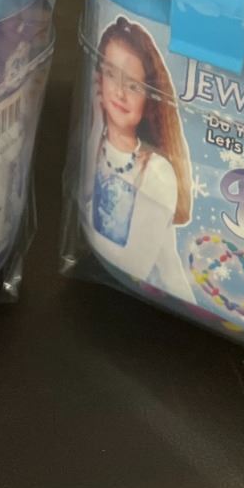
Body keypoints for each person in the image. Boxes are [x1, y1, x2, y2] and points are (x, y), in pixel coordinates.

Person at [82, 17, 196, 303]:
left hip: (166, 308)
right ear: (98, 79)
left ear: (150, 100)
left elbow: (132, 267)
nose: (119, 92)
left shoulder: (156, 172)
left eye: (133, 86)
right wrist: (95, 128)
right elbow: (82, 209)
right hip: (112, 295)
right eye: (111, 74)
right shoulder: (96, 143)